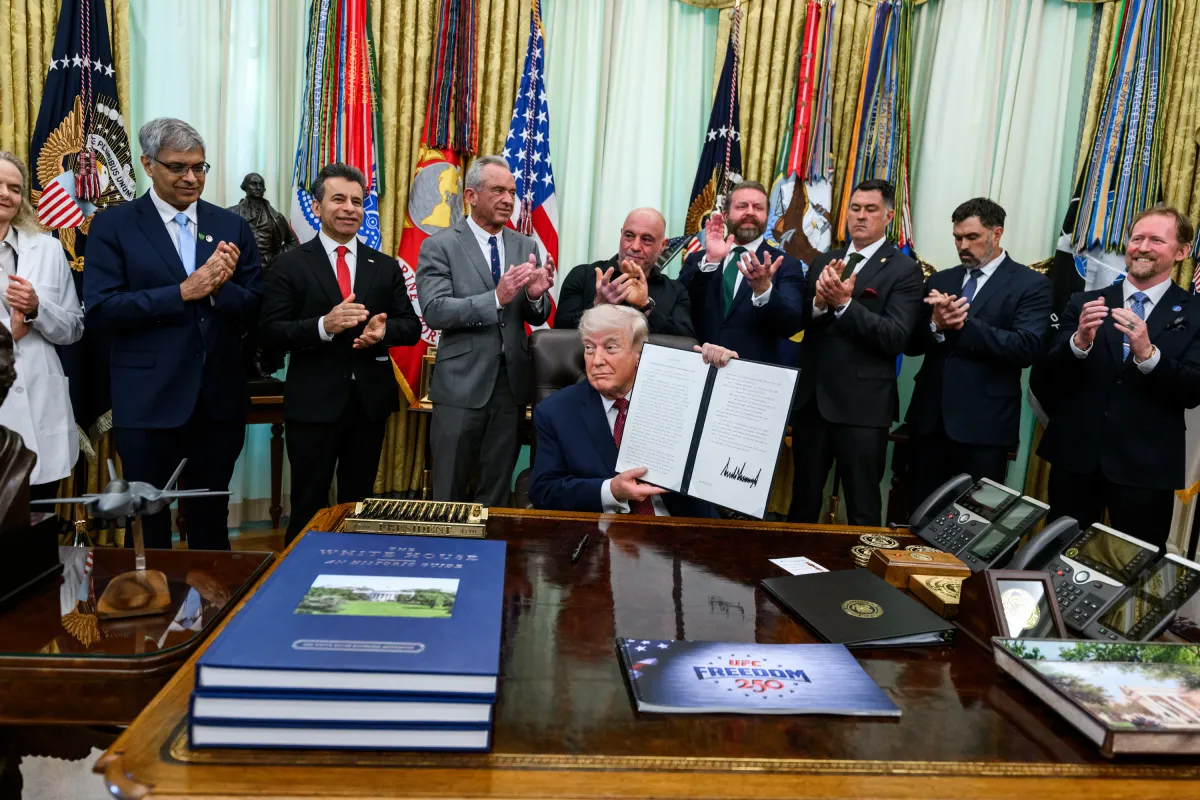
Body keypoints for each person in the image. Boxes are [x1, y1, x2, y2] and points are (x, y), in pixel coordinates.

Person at [84, 118, 262, 550]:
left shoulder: (230, 225)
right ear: (148, 164)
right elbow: (103, 309)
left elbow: (257, 305)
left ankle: (213, 597)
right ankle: (148, 594)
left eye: (199, 167)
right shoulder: (114, 225)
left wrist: (219, 289)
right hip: (148, 400)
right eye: (178, 167)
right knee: (149, 522)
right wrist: (182, 292)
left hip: (217, 400)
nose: (191, 178)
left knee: (211, 520)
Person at [259, 163, 422, 544]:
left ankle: (353, 571)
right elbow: (270, 332)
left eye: (357, 201)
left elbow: (411, 327)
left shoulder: (384, 266)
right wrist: (323, 326)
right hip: (312, 405)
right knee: (308, 504)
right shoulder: (291, 263)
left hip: (368, 405)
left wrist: (382, 333)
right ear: (317, 207)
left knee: (358, 506)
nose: (349, 208)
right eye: (338, 199)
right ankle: (300, 573)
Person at [1039, 205, 1200, 549]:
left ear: (1182, 252)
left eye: (1156, 240)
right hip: (1077, 459)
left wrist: (1149, 356)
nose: (1143, 247)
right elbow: (1047, 375)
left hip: (1147, 468)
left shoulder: (1195, 313)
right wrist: (1078, 343)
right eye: (1137, 238)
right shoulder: (1084, 302)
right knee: (1058, 558)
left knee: (1136, 568)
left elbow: (1193, 389)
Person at [416, 155, 555, 506]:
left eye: (512, 192)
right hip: (460, 385)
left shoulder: (526, 245)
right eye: (498, 191)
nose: (508, 200)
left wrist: (536, 296)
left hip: (511, 388)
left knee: (496, 491)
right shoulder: (440, 245)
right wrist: (494, 298)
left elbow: (535, 314)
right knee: (449, 489)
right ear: (471, 195)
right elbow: (435, 310)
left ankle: (489, 543)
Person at [788, 179, 924, 527]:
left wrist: (845, 305)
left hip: (863, 408)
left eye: (871, 209)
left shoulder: (904, 269)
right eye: (855, 208)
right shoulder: (824, 261)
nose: (860, 216)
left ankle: (862, 565)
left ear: (888, 216)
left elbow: (896, 338)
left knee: (862, 507)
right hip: (813, 403)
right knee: (802, 504)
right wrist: (819, 304)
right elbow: (800, 322)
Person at [904, 198, 1052, 504]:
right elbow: (911, 345)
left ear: (997, 234)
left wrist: (963, 325)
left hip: (985, 428)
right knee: (919, 513)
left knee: (972, 522)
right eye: (957, 238)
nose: (963, 246)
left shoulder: (1031, 284)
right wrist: (934, 325)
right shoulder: (941, 279)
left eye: (972, 237)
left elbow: (1026, 347)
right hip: (929, 424)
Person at [530, 304, 728, 516]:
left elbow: (723, 453)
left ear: (639, 353)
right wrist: (611, 491)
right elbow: (544, 490)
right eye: (589, 348)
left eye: (610, 348)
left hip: (685, 525)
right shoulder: (556, 411)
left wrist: (728, 375)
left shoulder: (680, 395)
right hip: (606, 529)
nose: (597, 361)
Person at [0, 151, 84, 499]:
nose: (6, 194)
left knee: (39, 520)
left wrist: (37, 309)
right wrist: (8, 334)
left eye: (14, 188)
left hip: (41, 410)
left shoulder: (48, 250)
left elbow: (74, 328)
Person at [679, 180, 805, 364]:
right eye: (742, 206)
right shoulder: (698, 259)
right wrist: (711, 263)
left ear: (767, 216)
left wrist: (764, 291)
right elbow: (680, 308)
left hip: (750, 374)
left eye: (758, 207)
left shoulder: (785, 265)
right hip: (697, 365)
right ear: (725, 215)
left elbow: (790, 326)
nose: (750, 212)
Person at [554, 207, 693, 336]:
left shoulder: (676, 290)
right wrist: (599, 306)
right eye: (629, 236)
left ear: (663, 245)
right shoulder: (582, 275)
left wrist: (646, 307)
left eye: (646, 239)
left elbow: (685, 340)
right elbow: (560, 332)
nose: (635, 247)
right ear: (621, 235)